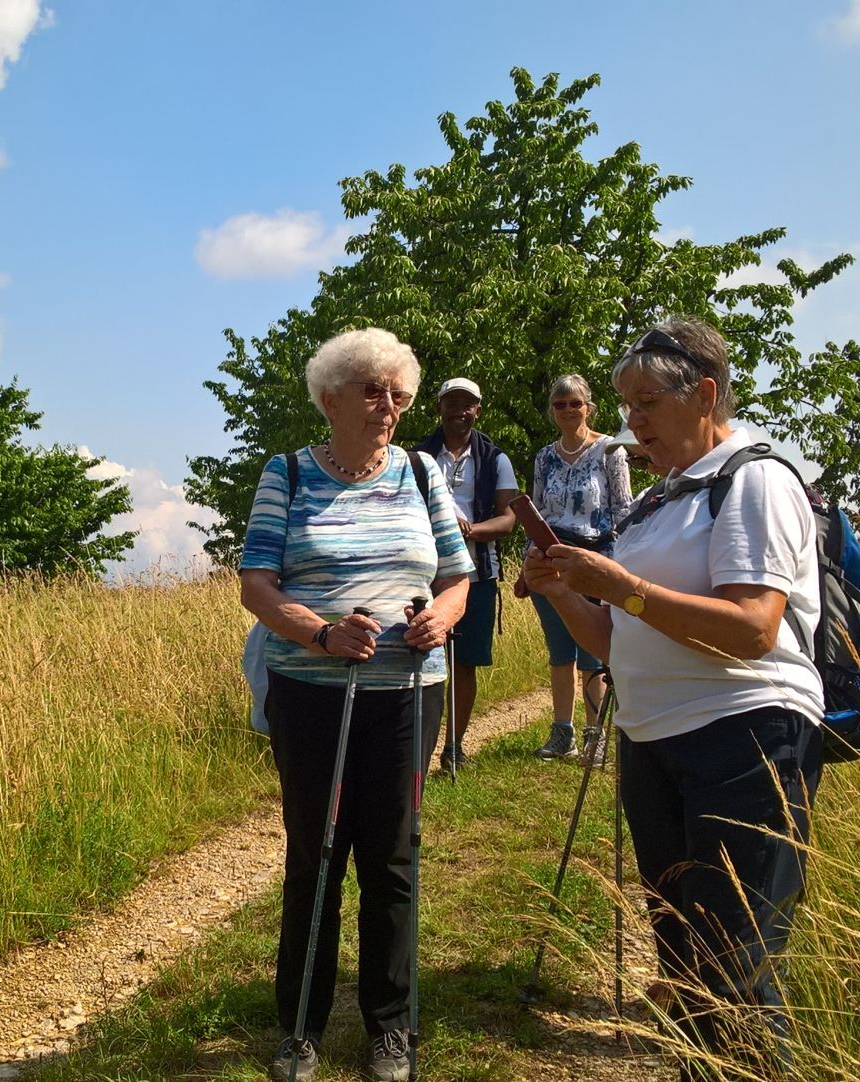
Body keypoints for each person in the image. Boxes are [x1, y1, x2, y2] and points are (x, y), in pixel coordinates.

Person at [523, 318, 824, 1079]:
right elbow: (615, 641)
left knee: (734, 964)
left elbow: (755, 629)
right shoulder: (658, 503)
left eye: (647, 401)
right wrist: (564, 591)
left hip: (745, 736)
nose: (633, 422)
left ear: (707, 395)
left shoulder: (751, 479)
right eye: (625, 404)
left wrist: (626, 586)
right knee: (687, 962)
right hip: (653, 741)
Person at [240, 328, 472, 1082]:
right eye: (373, 390)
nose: (390, 405)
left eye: (398, 392)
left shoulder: (421, 472)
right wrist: (321, 633)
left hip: (408, 692)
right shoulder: (288, 475)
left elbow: (458, 575)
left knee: (394, 855)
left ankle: (389, 1028)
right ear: (330, 397)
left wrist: (444, 615)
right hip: (313, 691)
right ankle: (300, 1029)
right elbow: (257, 585)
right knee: (317, 852)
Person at [410, 377, 518, 771]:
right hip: (423, 576)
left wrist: (468, 531)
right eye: (451, 403)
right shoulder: (417, 457)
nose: (460, 411)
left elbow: (508, 520)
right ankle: (415, 749)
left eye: (467, 404)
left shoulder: (495, 459)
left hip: (477, 576)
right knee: (418, 659)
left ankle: (453, 748)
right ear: (439, 407)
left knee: (465, 662)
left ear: (478, 410)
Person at [524, 372, 633, 763]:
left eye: (575, 403)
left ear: (589, 407)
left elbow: (623, 509)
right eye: (560, 404)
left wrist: (619, 565)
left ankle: (596, 737)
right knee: (559, 652)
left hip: (595, 558)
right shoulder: (544, 457)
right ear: (552, 411)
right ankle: (562, 733)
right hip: (552, 561)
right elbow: (536, 513)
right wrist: (528, 564)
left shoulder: (610, 451)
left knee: (593, 652)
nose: (568, 410)